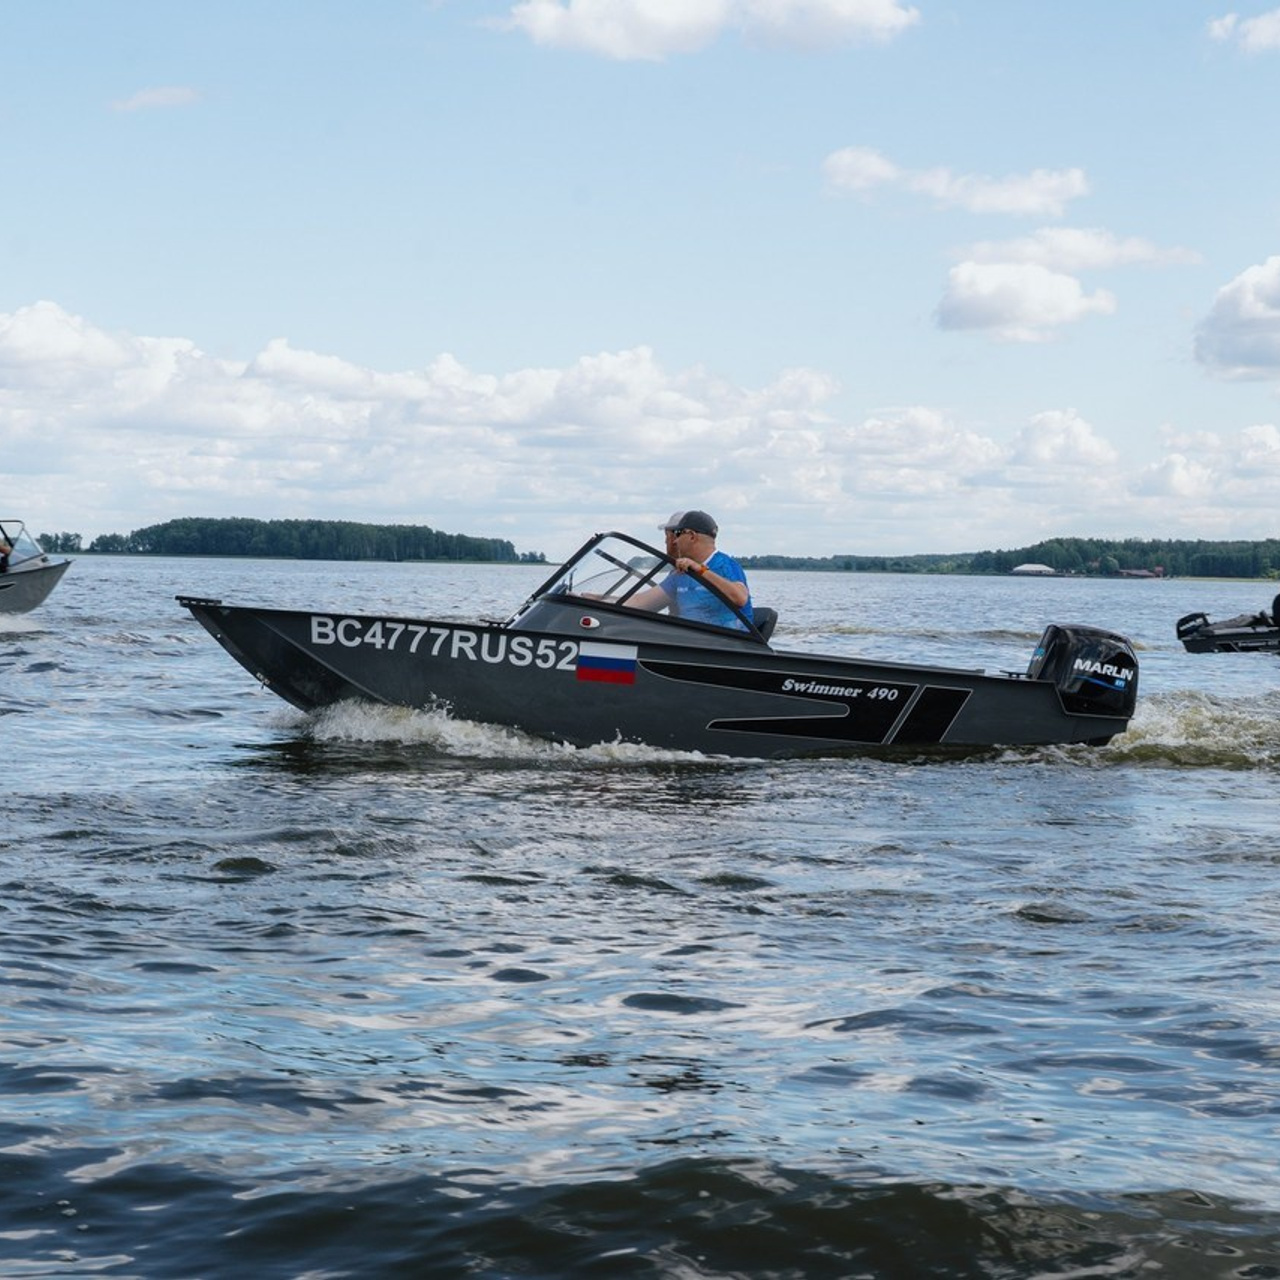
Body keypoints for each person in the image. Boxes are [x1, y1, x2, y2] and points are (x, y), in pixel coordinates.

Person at [626, 509, 754, 631]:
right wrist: (606, 603)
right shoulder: (681, 572)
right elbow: (640, 601)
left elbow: (740, 598)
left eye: (678, 534)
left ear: (692, 536)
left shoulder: (725, 565)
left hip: (728, 645)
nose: (675, 541)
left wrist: (701, 570)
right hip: (688, 640)